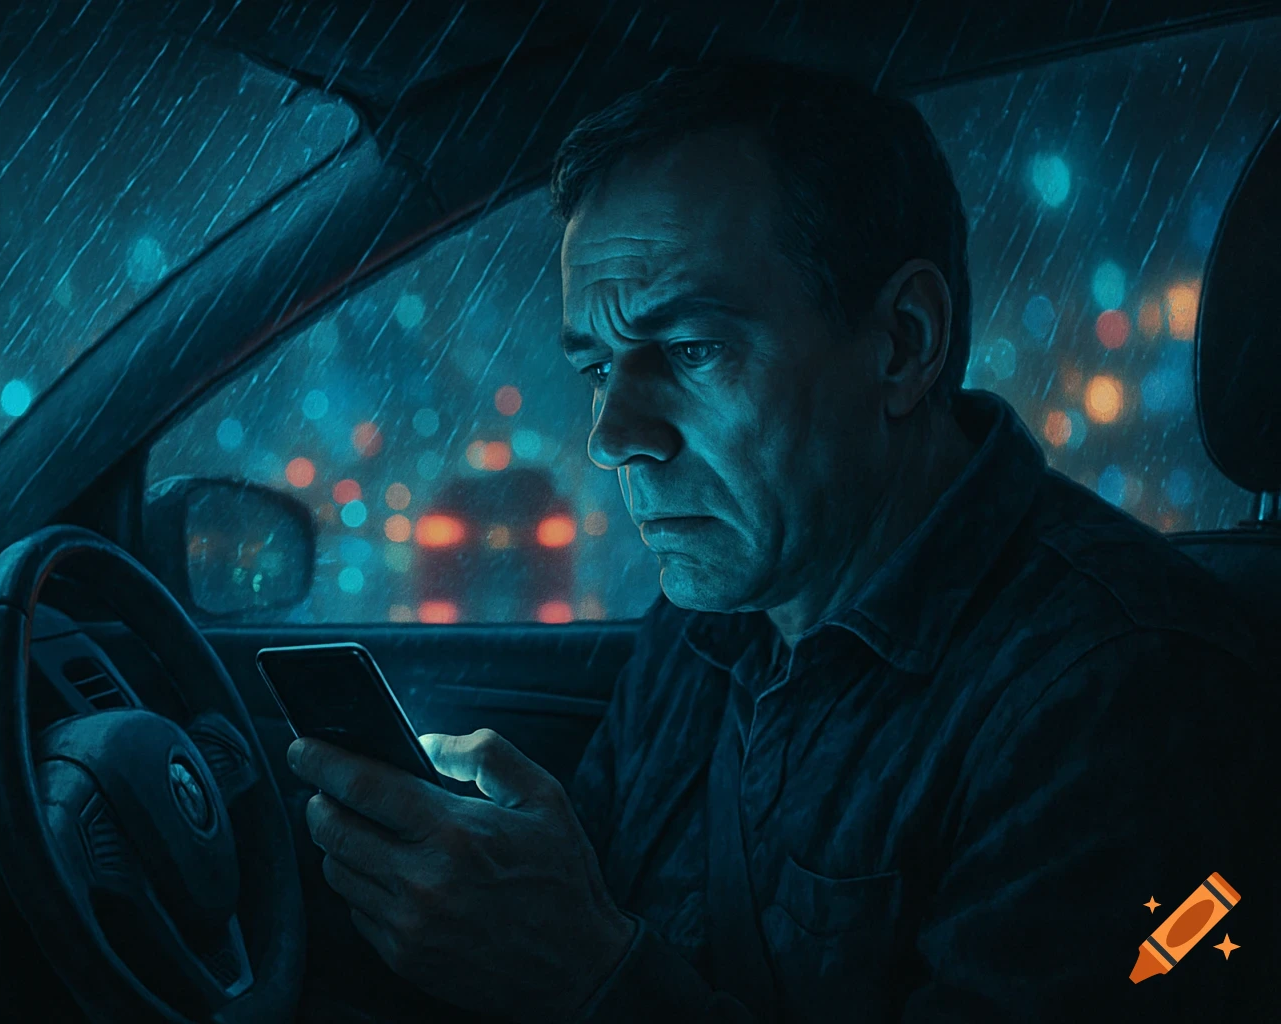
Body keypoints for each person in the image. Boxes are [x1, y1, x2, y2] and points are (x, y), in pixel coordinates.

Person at [285, 62, 1273, 1021]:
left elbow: (587, 951)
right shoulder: (712, 610)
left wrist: (586, 978)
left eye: (690, 349)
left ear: (901, 342)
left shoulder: (1124, 698)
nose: (614, 435)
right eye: (596, 368)